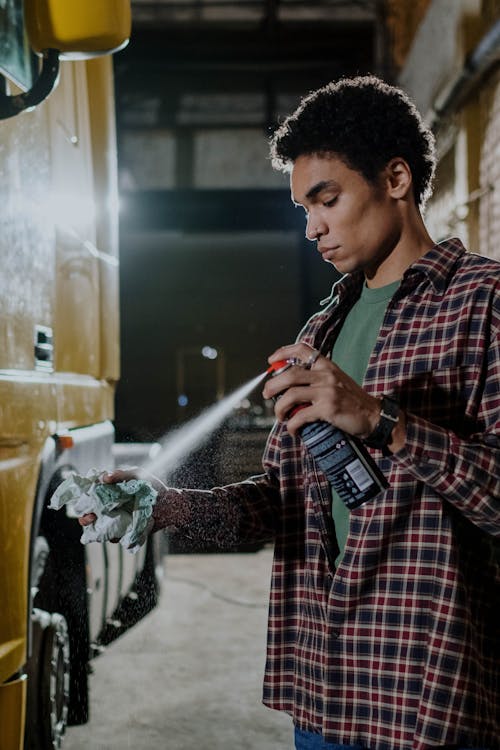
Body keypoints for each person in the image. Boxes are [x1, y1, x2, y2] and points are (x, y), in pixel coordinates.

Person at [80, 75, 499, 750]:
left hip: (430, 693)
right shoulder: (322, 330)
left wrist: (382, 420)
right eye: (304, 209)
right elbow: (280, 500)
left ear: (395, 178)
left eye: (326, 200)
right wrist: (165, 507)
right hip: (325, 694)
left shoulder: (484, 304)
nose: (312, 229)